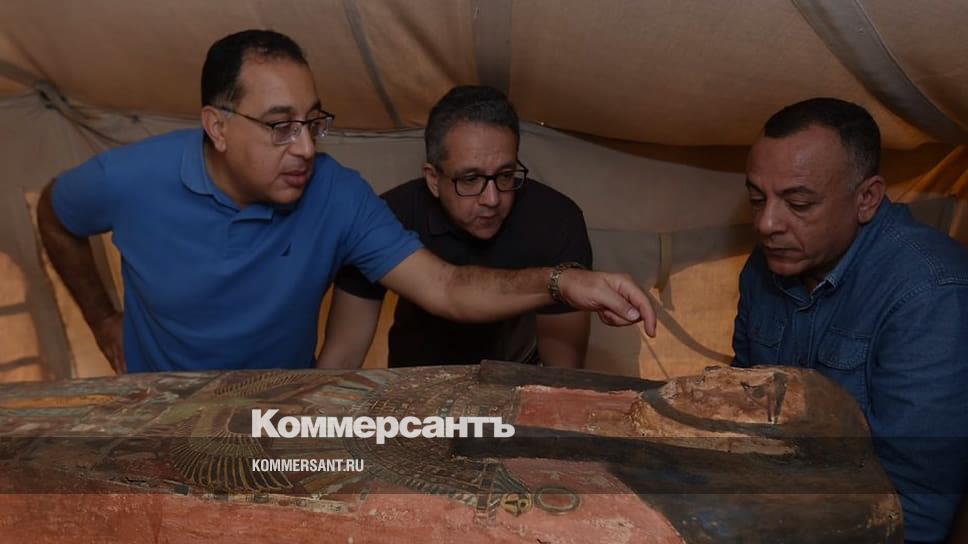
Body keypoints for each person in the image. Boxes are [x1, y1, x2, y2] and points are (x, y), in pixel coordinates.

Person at [36, 29, 655, 375]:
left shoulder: (338, 194)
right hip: (155, 413)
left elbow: (445, 286)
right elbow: (54, 216)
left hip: (280, 422)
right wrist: (104, 320)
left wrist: (562, 281)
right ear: (217, 127)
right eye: (280, 125)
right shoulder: (129, 177)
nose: (306, 147)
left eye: (312, 122)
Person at [732, 97, 968, 543]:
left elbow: (914, 508)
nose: (766, 224)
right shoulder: (762, 269)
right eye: (757, 199)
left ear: (867, 199)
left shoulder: (932, 294)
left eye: (798, 203)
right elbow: (737, 412)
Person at [318, 86, 592, 370]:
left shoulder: (556, 221)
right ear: (433, 179)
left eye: (505, 175)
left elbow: (563, 372)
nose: (492, 199)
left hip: (517, 376)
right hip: (415, 377)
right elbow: (343, 356)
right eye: (470, 179)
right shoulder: (387, 218)